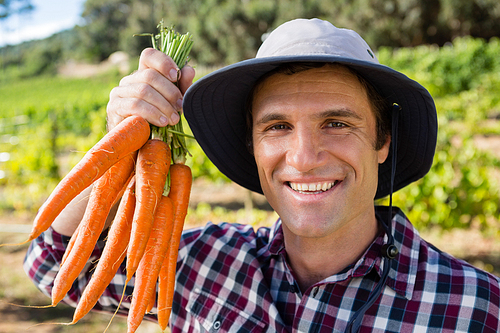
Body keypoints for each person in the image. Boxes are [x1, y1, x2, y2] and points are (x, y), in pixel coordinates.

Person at [24, 18, 500, 332]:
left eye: (336, 123)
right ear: (253, 147)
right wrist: (121, 141)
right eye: (277, 127)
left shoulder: (477, 308)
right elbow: (54, 264)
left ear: (383, 142)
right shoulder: (205, 265)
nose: (305, 156)